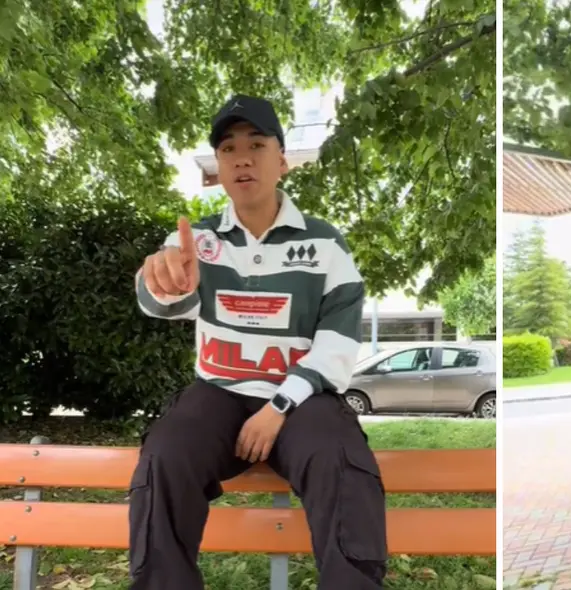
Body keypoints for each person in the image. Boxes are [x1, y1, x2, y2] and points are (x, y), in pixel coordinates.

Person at [130, 94, 386, 590]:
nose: (242, 158)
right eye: (228, 148)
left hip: (302, 400)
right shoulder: (196, 241)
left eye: (257, 145)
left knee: (339, 458)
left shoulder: (325, 244)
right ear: (218, 166)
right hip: (218, 393)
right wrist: (166, 285)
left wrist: (278, 406)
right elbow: (160, 300)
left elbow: (337, 345)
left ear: (282, 161)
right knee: (166, 454)